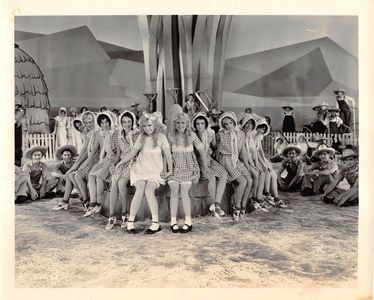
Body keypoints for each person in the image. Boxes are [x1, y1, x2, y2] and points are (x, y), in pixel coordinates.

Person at [118, 112, 172, 234]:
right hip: (141, 169)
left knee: (149, 190)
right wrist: (120, 163)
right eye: (145, 126)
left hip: (155, 170)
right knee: (140, 188)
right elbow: (132, 154)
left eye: (150, 125)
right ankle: (130, 222)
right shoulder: (141, 137)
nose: (147, 128)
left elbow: (168, 155)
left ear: (155, 124)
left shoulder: (161, 137)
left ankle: (155, 223)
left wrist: (170, 170)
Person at [167, 112, 208, 233]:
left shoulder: (192, 136)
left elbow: (201, 150)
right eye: (178, 123)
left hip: (188, 167)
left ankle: (188, 221)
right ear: (175, 124)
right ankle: (173, 221)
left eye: (183, 123)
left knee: (185, 192)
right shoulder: (170, 136)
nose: (180, 125)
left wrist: (205, 166)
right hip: (174, 167)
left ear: (187, 124)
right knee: (174, 191)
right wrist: (166, 169)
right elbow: (166, 154)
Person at [52, 111, 97, 211]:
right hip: (90, 159)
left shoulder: (95, 132)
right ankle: (66, 201)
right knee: (70, 174)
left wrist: (78, 166)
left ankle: (85, 200)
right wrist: (76, 164)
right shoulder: (88, 134)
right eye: (80, 126)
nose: (84, 126)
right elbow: (84, 151)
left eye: (89, 123)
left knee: (74, 174)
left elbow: (90, 153)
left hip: (95, 161)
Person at [105, 111, 139, 230]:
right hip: (121, 162)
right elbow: (119, 154)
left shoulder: (136, 134)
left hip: (133, 163)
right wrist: (114, 164)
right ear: (121, 123)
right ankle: (112, 215)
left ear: (133, 122)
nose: (127, 124)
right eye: (124, 122)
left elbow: (135, 153)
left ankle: (125, 213)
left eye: (129, 121)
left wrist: (121, 163)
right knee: (114, 181)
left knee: (121, 183)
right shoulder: (119, 135)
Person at [216, 112, 252, 221]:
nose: (228, 126)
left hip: (236, 159)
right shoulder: (220, 134)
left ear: (234, 122)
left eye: (230, 123)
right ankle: (237, 207)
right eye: (225, 124)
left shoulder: (240, 134)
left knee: (250, 181)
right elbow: (215, 147)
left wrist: (247, 165)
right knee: (243, 181)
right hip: (226, 159)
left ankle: (243, 206)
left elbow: (243, 151)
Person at [192, 112, 228, 220]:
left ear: (206, 123)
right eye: (197, 123)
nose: (200, 126)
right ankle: (215, 206)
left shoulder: (211, 132)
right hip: (198, 160)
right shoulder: (193, 134)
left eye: (202, 123)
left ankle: (216, 203)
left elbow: (214, 146)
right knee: (211, 177)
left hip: (209, 158)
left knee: (223, 174)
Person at [84, 112, 120, 217]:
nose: (105, 125)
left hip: (114, 159)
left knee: (99, 177)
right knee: (91, 174)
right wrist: (100, 161)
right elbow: (103, 148)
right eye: (102, 123)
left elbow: (117, 151)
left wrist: (114, 163)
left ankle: (99, 204)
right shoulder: (103, 133)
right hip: (106, 158)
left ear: (110, 122)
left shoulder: (115, 133)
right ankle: (93, 203)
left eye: (106, 122)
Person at [253, 118, 287, 209]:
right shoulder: (251, 137)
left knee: (273, 174)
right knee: (266, 171)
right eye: (259, 128)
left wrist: (265, 161)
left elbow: (260, 151)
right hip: (253, 159)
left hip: (259, 158)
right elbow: (255, 153)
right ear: (255, 128)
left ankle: (276, 198)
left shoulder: (259, 137)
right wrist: (262, 163)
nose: (260, 130)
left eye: (263, 129)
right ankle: (266, 194)